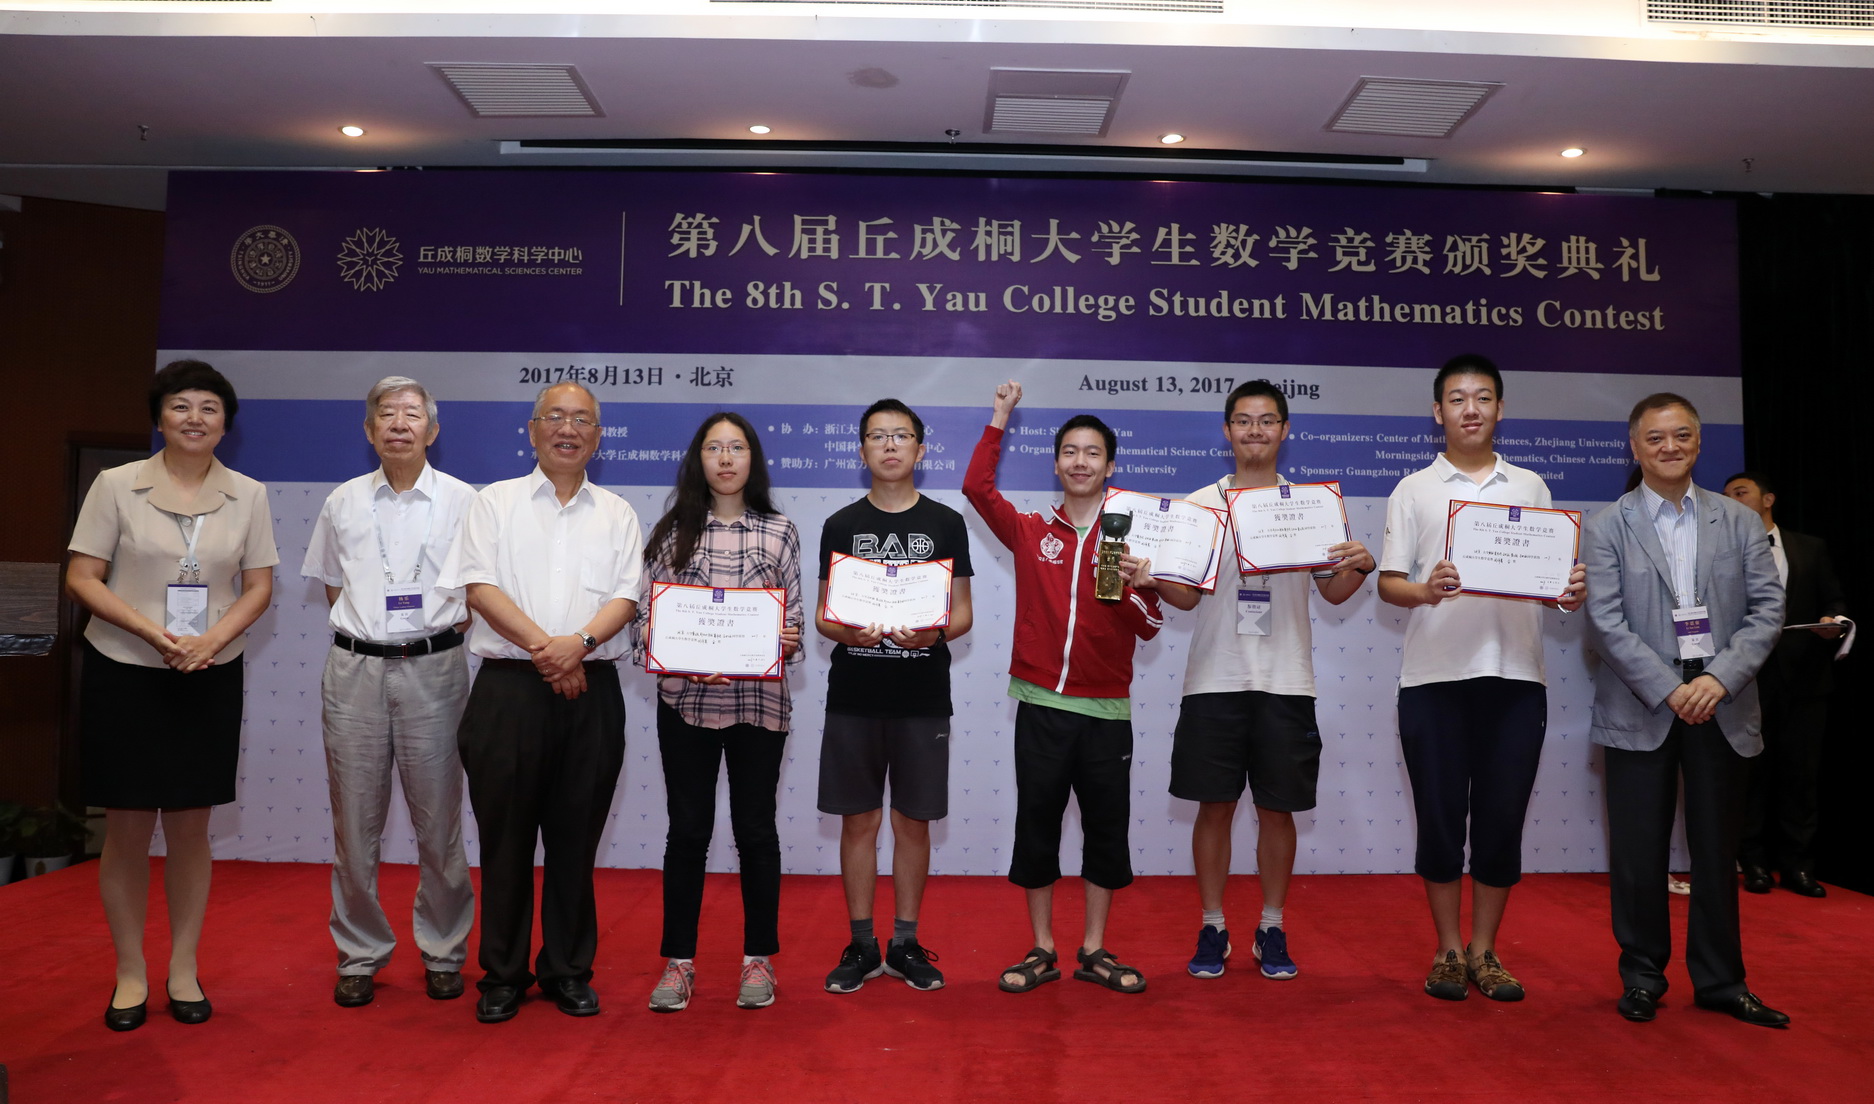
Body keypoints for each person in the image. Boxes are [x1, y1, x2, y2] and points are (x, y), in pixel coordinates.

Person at [66, 359, 279, 1031]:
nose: (195, 418)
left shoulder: (249, 494)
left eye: (209, 408)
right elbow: (83, 577)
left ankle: (183, 968)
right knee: (128, 827)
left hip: (208, 671)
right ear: (159, 417)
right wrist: (152, 632)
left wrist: (208, 640)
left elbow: (259, 586)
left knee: (191, 827)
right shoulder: (116, 485)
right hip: (125, 667)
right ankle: (130, 973)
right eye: (181, 405)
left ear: (226, 423)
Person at [1375, 354, 1586, 1003]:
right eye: (1458, 398)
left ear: (1500, 408)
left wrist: (1567, 593)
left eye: (1483, 397)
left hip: (1517, 679)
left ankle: (1485, 950)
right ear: (1437, 411)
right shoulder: (1414, 488)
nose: (1471, 409)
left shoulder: (1530, 486)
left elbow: (1551, 580)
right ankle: (1446, 949)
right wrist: (1426, 589)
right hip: (1433, 680)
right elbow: (1388, 584)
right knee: (1440, 820)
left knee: (1501, 820)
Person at [1152, 380, 1375, 981]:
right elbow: (1185, 599)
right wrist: (1150, 575)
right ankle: (1213, 925)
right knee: (1214, 807)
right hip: (1213, 679)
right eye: (1244, 421)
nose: (1255, 430)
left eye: (1267, 420)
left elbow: (1334, 593)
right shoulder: (1198, 505)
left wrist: (1361, 566)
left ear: (1285, 430)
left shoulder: (1310, 506)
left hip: (1286, 681)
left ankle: (1272, 925)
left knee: (1278, 811)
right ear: (1227, 431)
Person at [437, 382, 643, 1023]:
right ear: (532, 430)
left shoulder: (618, 513)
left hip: (592, 691)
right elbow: (479, 588)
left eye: (582, 420)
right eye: (555, 416)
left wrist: (576, 647)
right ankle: (502, 974)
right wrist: (549, 652)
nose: (568, 429)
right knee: (505, 841)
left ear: (598, 438)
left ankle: (568, 970)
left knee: (576, 841)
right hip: (508, 691)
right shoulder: (492, 503)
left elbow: (625, 597)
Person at [1584, 396, 1787, 1027]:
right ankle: (1642, 976)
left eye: (1681, 436)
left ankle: (1722, 981)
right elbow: (1605, 621)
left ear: (1698, 442)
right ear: (1634, 446)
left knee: (1717, 852)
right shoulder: (1606, 525)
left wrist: (1718, 678)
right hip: (1640, 707)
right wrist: (1669, 687)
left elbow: (1768, 611)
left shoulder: (1740, 521)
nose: (1669, 447)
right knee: (1637, 854)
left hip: (1722, 705)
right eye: (1655, 438)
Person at [963, 381, 1164, 996]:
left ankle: (1095, 948)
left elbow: (1151, 627)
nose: (1081, 461)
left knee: (1105, 832)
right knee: (1038, 828)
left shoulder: (1131, 538)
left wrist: (1137, 585)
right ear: (1056, 464)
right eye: (1070, 452)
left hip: (1107, 711)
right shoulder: (1031, 530)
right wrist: (999, 417)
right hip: (1041, 706)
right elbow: (977, 489)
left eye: (1093, 453)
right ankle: (1042, 948)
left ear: (1110, 466)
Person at [300, 376, 476, 1007]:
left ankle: (444, 950)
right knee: (354, 824)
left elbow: (481, 591)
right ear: (369, 429)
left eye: (412, 414)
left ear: (433, 430)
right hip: (356, 670)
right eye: (387, 414)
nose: (400, 424)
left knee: (440, 823)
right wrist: (373, 634)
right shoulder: (342, 501)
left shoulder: (465, 502)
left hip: (435, 667)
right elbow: (334, 586)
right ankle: (359, 954)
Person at [637, 412, 804, 1013]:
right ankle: (678, 964)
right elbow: (644, 624)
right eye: (715, 448)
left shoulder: (781, 531)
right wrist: (683, 658)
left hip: (758, 705)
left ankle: (758, 960)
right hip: (686, 703)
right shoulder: (669, 532)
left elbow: (794, 624)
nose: (726, 458)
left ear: (753, 459)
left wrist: (782, 641)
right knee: (687, 833)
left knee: (756, 832)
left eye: (737, 448)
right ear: (699, 460)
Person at [816, 399, 974, 994]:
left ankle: (904, 943)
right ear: (862, 451)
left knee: (913, 823)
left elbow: (962, 613)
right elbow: (824, 615)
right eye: (878, 436)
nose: (889, 445)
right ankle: (862, 944)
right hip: (854, 695)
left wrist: (934, 634)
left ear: (920, 449)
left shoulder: (946, 523)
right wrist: (847, 632)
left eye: (901, 435)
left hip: (921, 697)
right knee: (859, 821)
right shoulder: (840, 524)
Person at [1721, 471, 1848, 898]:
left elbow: (1834, 600)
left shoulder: (1810, 547)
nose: (1732, 500)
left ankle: (1799, 866)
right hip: (1746, 680)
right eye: (1726, 496)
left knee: (1801, 777)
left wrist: (1834, 621)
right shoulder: (1723, 549)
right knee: (1750, 777)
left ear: (1768, 499)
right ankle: (1753, 863)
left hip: (1805, 681)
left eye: (1741, 493)